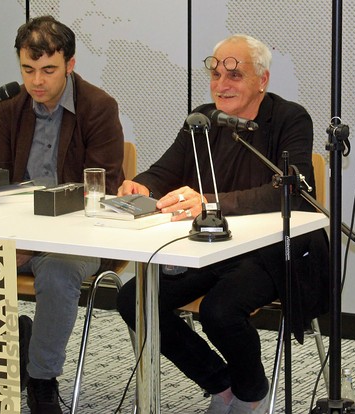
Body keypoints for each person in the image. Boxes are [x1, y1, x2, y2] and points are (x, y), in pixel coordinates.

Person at [116, 34, 329, 414]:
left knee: (220, 310)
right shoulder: (203, 119)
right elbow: (165, 170)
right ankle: (221, 383)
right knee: (136, 299)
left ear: (261, 80)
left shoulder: (289, 119)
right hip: (213, 247)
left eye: (234, 74)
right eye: (215, 73)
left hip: (272, 251)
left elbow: (290, 192)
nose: (221, 83)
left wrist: (211, 202)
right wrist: (141, 185)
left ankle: (252, 393)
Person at [0, 15, 125, 414]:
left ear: (70, 64)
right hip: (16, 233)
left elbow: (103, 189)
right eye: (28, 70)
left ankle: (43, 380)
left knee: (59, 271)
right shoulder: (10, 111)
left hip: (79, 236)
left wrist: (31, 244)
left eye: (48, 70)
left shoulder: (98, 108)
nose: (37, 82)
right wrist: (12, 237)